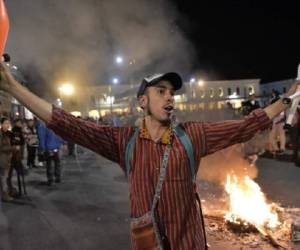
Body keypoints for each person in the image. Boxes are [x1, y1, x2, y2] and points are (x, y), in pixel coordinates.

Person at [0, 63, 298, 250]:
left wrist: (287, 99)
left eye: (172, 92)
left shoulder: (192, 135)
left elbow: (246, 126)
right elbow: (66, 123)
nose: (170, 97)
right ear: (143, 101)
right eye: (161, 91)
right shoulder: (123, 141)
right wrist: (13, 87)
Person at [37, 121, 65, 185]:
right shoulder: (56, 123)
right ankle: (57, 177)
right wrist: (63, 142)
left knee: (49, 164)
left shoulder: (42, 124)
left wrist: (42, 148)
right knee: (57, 163)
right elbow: (61, 135)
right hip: (57, 147)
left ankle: (51, 179)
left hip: (49, 148)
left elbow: (41, 137)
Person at [8, 118, 26, 196]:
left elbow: (22, 142)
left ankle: (13, 189)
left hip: (17, 154)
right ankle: (9, 190)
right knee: (8, 174)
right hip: (10, 156)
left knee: (18, 171)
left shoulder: (20, 131)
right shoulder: (11, 132)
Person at [0, 117, 13, 202]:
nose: (7, 125)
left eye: (8, 123)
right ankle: (4, 195)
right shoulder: (1, 134)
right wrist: (13, 148)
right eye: (6, 123)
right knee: (3, 177)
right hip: (2, 159)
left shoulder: (8, 134)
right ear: (1, 124)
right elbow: (1, 147)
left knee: (6, 177)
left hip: (8, 159)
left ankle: (7, 191)